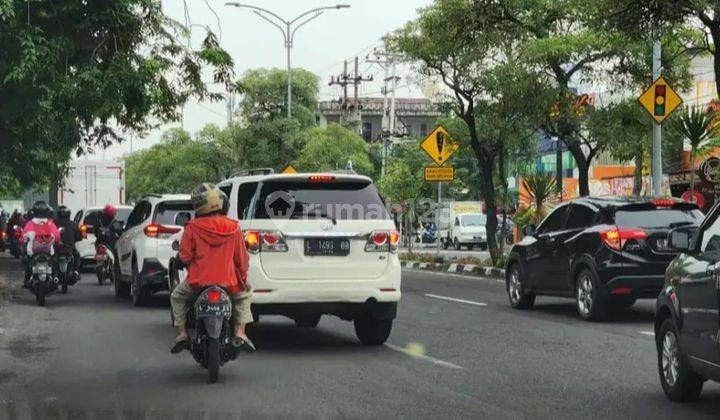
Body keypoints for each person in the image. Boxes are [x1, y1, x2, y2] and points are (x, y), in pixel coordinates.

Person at [170, 183, 255, 354]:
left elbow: (185, 256)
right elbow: (242, 260)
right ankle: (240, 332)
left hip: (197, 282)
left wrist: (181, 259)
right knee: (244, 296)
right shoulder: (234, 227)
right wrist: (243, 279)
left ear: (200, 205)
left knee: (177, 296)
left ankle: (182, 334)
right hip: (229, 281)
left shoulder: (192, 227)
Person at [22, 201, 60, 286]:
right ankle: (55, 278)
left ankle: (27, 280)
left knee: (28, 263)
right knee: (54, 263)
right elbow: (57, 237)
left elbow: (23, 238)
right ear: (47, 211)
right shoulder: (50, 223)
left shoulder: (30, 223)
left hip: (33, 252)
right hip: (48, 251)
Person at [54, 205, 83, 272]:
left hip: (58, 248)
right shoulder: (73, 224)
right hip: (68, 248)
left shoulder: (53, 224)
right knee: (77, 256)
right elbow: (79, 236)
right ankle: (75, 271)